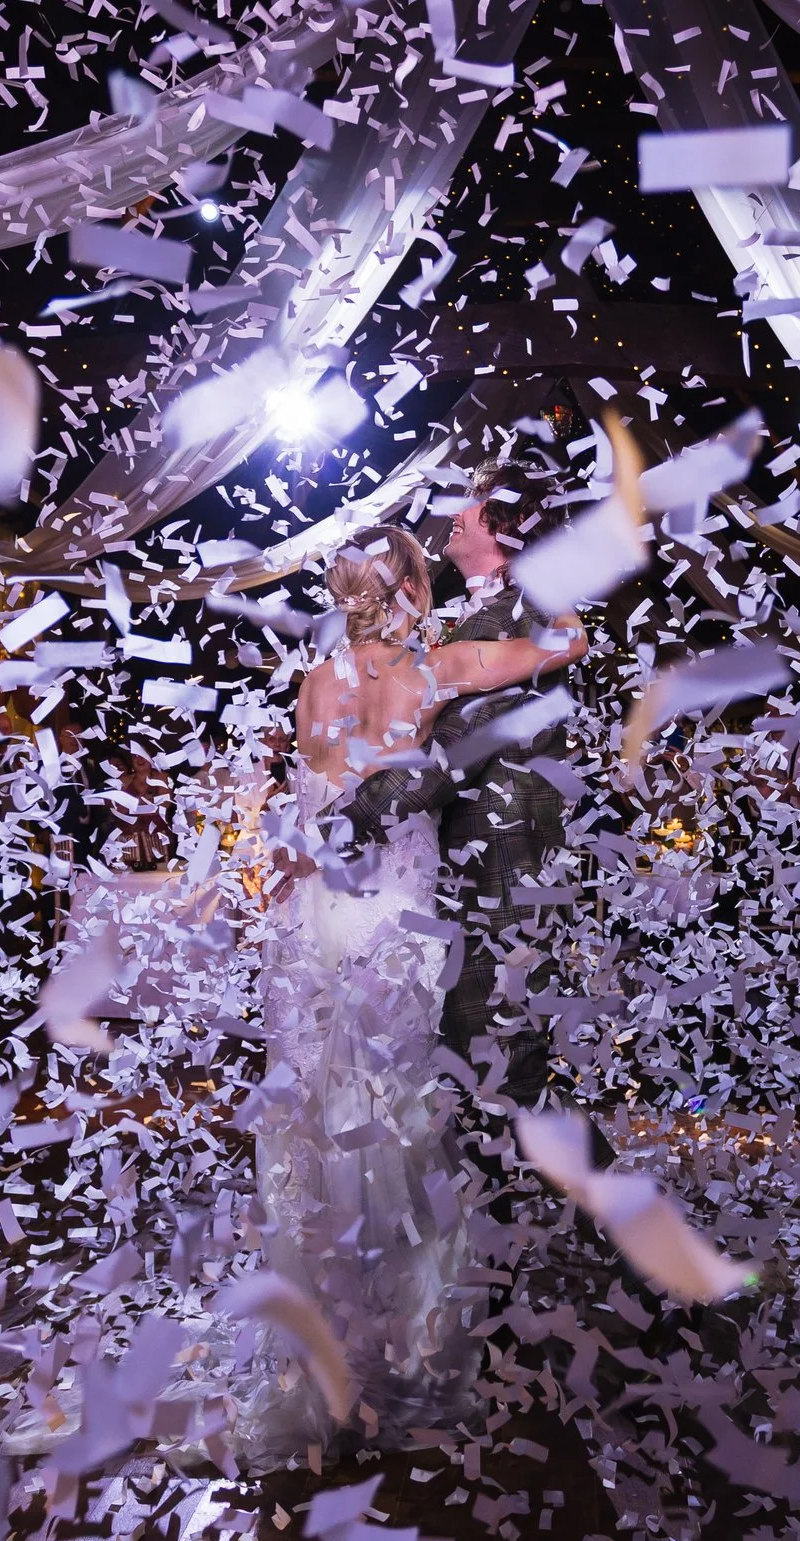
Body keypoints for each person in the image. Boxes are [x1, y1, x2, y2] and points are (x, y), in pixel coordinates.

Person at [238, 526, 585, 1464]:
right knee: (399, 1118)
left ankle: (324, 1349)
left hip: (318, 920)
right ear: (410, 592)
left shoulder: (313, 682)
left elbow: (309, 805)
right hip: (394, 917)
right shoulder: (433, 670)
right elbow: (568, 642)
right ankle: (415, 1339)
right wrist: (505, 583)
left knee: (318, 1112)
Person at [337, 457, 582, 1109]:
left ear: (504, 524)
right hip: (476, 885)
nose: (454, 509)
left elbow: (453, 757)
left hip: (500, 889)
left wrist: (347, 820)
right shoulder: (496, 618)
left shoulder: (522, 621)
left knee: (503, 1079)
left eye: (471, 501)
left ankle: (592, 1210)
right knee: (485, 1082)